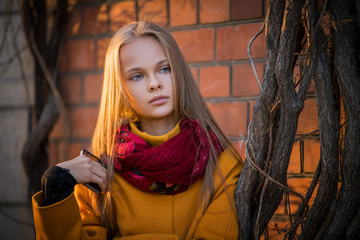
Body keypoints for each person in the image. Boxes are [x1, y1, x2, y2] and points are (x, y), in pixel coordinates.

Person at [32, 21, 243, 240]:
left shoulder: (222, 165)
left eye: (164, 68)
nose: (154, 84)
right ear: (120, 88)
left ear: (179, 73)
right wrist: (56, 191)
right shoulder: (99, 170)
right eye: (137, 76)